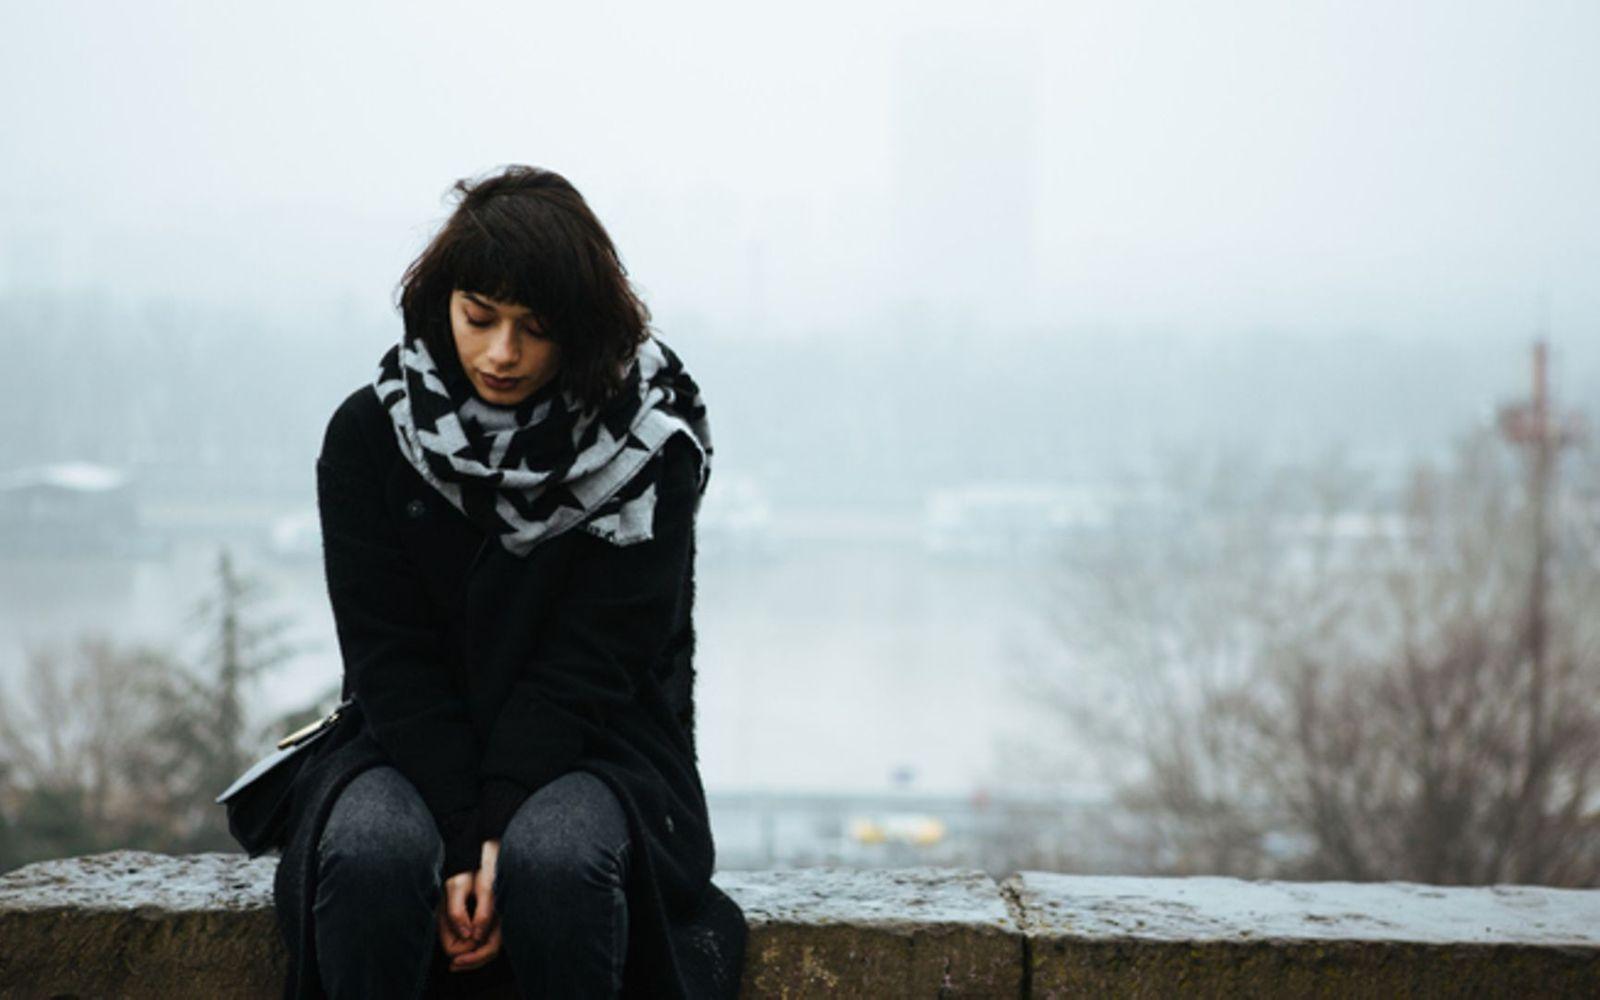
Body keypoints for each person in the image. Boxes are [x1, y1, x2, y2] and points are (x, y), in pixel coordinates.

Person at [271, 164, 748, 999]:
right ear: (441, 303)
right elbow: (389, 656)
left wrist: (493, 836)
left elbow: (597, 660)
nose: (502, 353)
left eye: (535, 327)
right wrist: (463, 836)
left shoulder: (647, 449)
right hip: (404, 734)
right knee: (373, 856)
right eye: (479, 318)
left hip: (601, 740)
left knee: (555, 864)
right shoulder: (370, 437)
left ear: (585, 327)